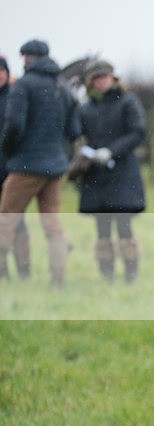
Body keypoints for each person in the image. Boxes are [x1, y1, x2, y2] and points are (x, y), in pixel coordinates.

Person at [0, 39, 80, 287]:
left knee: (5, 221)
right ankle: (58, 281)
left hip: (25, 166)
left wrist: (8, 152)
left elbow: (14, 126)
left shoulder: (23, 85)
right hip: (55, 167)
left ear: (26, 58)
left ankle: (3, 277)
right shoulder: (62, 86)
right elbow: (74, 130)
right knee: (52, 226)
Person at [76, 59, 146, 283]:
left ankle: (130, 276)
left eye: (104, 76)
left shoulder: (127, 101)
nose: (102, 81)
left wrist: (111, 151)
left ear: (113, 77)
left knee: (124, 227)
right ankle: (107, 277)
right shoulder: (85, 108)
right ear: (90, 82)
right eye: (97, 78)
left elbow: (138, 132)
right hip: (96, 176)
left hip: (123, 175)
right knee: (102, 229)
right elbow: (76, 133)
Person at [0, 55, 31, 280]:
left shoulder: (16, 96)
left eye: (1, 71)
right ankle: (3, 272)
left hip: (12, 168)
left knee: (17, 221)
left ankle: (24, 270)